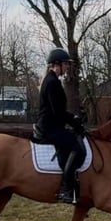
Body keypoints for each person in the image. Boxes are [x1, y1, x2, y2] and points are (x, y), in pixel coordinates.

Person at [36, 47, 86, 204]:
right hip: (50, 128)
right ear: (56, 64)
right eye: (65, 64)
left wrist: (73, 119)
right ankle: (66, 189)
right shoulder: (52, 83)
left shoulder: (52, 81)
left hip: (53, 125)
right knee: (77, 148)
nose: (67, 67)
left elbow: (59, 111)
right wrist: (74, 121)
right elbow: (58, 112)